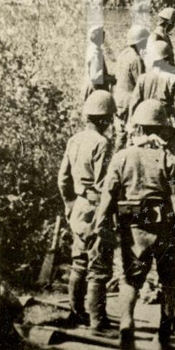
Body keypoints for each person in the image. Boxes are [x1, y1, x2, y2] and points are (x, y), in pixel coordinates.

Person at [93, 99, 175, 350]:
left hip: (133, 230)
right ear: (162, 129)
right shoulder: (168, 158)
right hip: (166, 230)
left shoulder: (121, 157)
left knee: (130, 279)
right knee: (170, 281)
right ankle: (163, 335)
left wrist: (102, 226)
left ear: (137, 128)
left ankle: (126, 323)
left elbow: (108, 196)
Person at [57, 90, 117, 331]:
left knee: (79, 261)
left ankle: (76, 313)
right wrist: (107, 215)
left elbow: (62, 179)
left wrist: (69, 204)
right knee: (99, 266)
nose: (112, 122)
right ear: (103, 119)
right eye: (110, 118)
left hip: (79, 206)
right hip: (95, 207)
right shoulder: (103, 143)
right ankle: (97, 322)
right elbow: (104, 185)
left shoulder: (75, 139)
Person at [129, 41, 175, 147]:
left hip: (145, 122)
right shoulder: (173, 79)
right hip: (164, 124)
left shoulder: (143, 78)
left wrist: (132, 126)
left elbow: (134, 104)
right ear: (167, 59)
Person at [112, 25, 148, 151]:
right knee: (130, 133)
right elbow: (141, 83)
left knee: (120, 131)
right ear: (140, 42)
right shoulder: (136, 59)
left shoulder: (123, 54)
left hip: (118, 98)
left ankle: (115, 159)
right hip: (129, 100)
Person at [82, 24, 112, 101]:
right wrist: (110, 79)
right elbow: (96, 77)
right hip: (95, 91)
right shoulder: (95, 52)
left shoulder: (92, 49)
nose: (104, 37)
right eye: (102, 34)